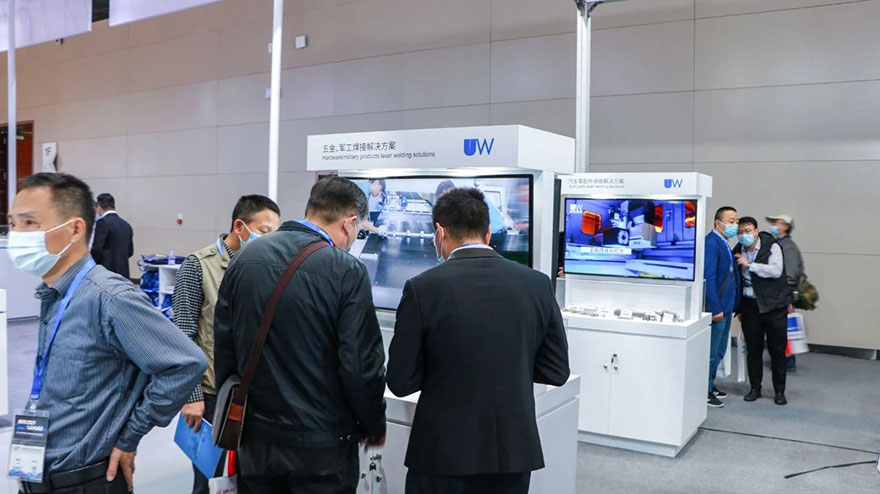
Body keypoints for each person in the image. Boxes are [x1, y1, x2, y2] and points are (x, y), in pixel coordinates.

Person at [6, 173, 207, 494]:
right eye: (12, 223)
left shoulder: (110, 297)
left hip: (86, 480)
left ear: (75, 229)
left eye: (30, 223)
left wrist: (130, 436)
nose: (17, 234)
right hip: (39, 473)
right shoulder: (54, 294)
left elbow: (185, 363)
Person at [387, 187, 570, 494]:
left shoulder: (422, 288)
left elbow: (400, 381)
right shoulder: (537, 284)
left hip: (442, 453)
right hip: (512, 452)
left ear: (440, 232)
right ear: (487, 233)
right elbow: (557, 371)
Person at [214, 177, 387, 493]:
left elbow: (225, 346)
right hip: (322, 446)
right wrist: (372, 425)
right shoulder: (346, 270)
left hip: (256, 439)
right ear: (349, 223)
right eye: (358, 231)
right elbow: (360, 365)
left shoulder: (244, 259)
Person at [172, 194, 281, 494]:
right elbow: (182, 337)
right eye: (264, 231)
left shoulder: (267, 269)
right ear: (239, 227)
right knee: (209, 481)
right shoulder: (198, 266)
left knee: (250, 478)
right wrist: (191, 396)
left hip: (254, 394)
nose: (269, 240)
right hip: (212, 396)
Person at [733, 217, 793, 406]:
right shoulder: (737, 250)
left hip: (774, 306)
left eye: (748, 231)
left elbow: (776, 271)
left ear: (756, 231)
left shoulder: (771, 246)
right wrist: (738, 308)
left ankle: (779, 391)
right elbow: (737, 281)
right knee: (753, 350)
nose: (744, 235)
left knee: (777, 350)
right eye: (740, 232)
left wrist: (750, 265)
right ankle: (755, 388)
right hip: (750, 306)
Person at [704, 206, 741, 408]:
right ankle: (704, 390)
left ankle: (711, 383)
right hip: (717, 309)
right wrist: (714, 308)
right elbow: (709, 278)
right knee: (710, 352)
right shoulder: (711, 243)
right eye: (731, 221)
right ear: (718, 223)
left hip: (726, 308)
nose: (735, 225)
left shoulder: (724, 243)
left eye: (737, 221)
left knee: (719, 351)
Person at [767, 214, 804, 372]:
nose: (774, 225)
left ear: (786, 227)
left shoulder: (788, 247)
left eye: (777, 223)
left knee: (783, 329)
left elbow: (791, 273)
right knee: (781, 329)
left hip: (782, 294)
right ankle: (784, 360)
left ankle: (787, 361)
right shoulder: (779, 244)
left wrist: (782, 293)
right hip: (780, 293)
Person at [90, 193, 134, 279]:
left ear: (99, 207)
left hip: (106, 273)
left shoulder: (102, 223)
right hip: (123, 273)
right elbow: (130, 251)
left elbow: (97, 249)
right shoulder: (126, 225)